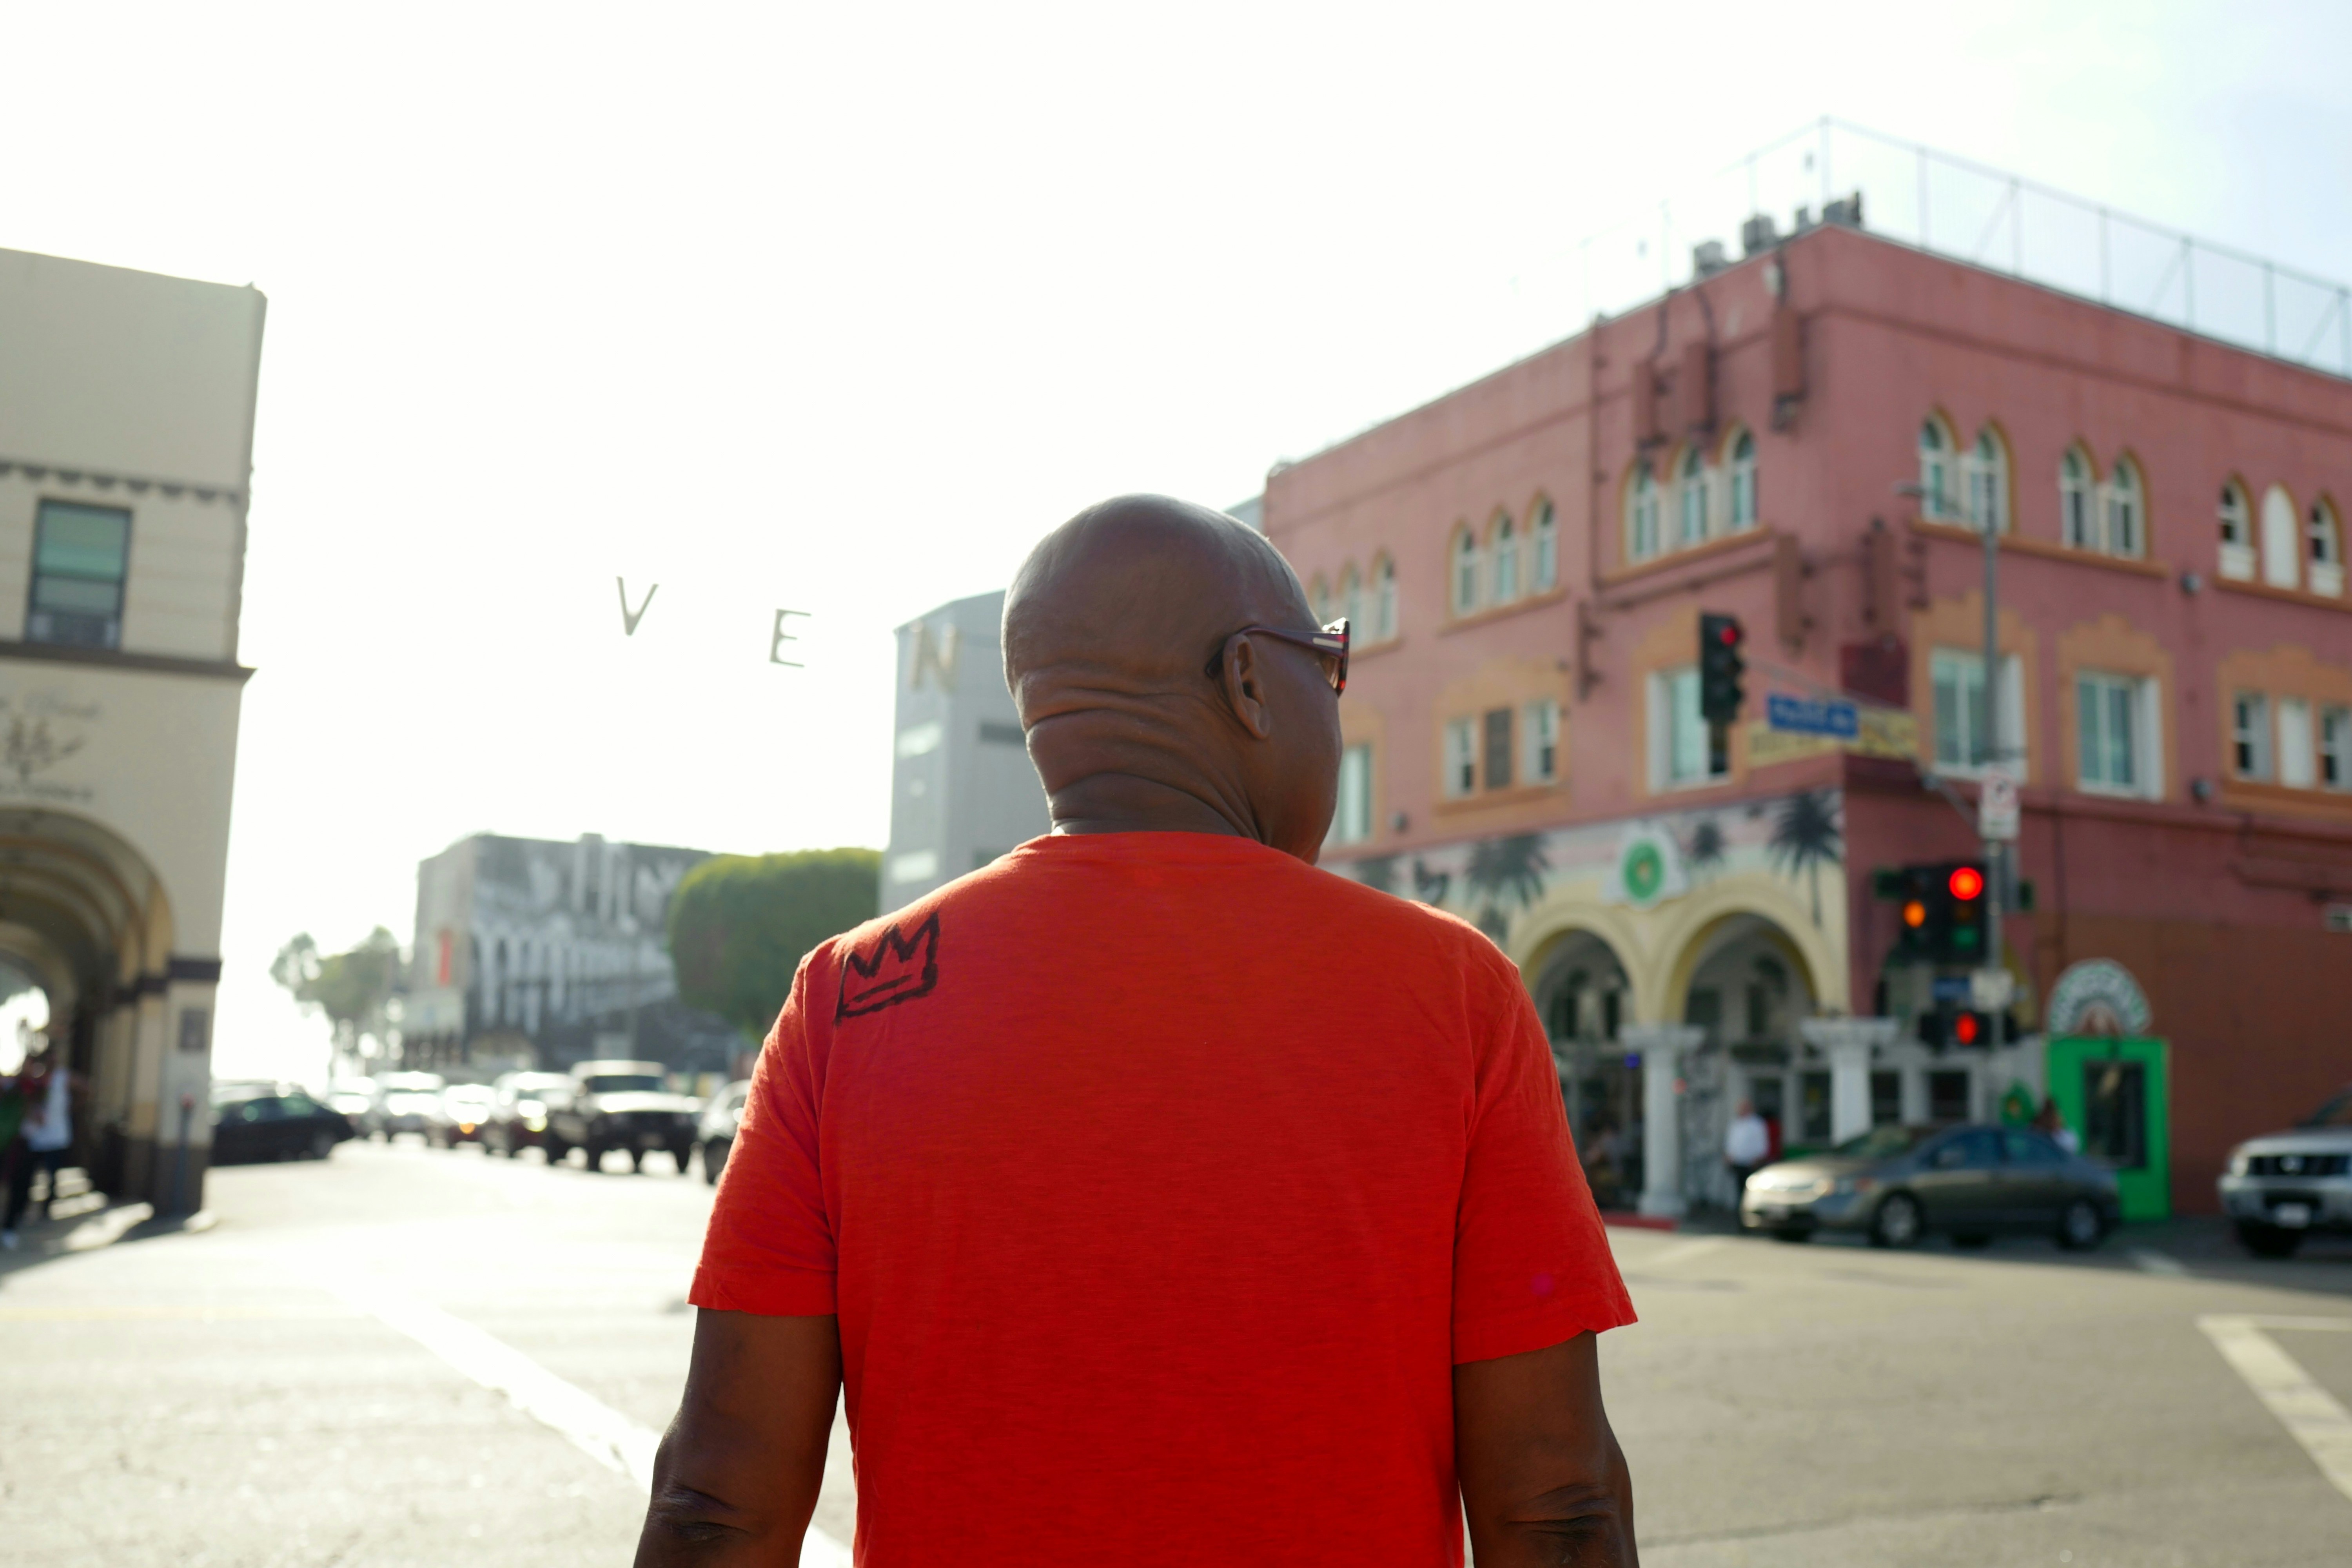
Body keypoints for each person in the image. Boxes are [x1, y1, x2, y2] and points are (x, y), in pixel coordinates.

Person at [638, 496, 1638, 1567]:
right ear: (1251, 680)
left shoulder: (848, 999)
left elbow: (718, 1501)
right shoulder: (1451, 992)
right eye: (1326, 664)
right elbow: (1556, 1503)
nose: (1334, 703)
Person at [3, 1049, 69, 1249]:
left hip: (24, 1143)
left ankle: (9, 1226)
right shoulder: (14, 1086)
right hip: (10, 1141)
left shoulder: (40, 1088)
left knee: (21, 1186)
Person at [1724, 1097, 1770, 1198]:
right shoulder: (1736, 1124)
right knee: (1739, 1190)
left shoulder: (1757, 1124)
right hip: (1737, 1163)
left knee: (1751, 1191)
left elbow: (1762, 1143)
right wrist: (1729, 1155)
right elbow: (1731, 1142)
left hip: (1752, 1163)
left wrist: (1759, 1158)